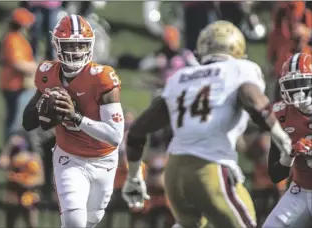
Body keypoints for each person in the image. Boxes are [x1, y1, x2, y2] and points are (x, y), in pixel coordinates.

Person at [121, 20, 292, 228]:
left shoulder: (180, 77)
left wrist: (134, 177)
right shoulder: (240, 68)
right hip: (210, 165)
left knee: (187, 224)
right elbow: (253, 99)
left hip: (174, 172)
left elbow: (138, 130)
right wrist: (281, 136)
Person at [22, 14, 124, 228]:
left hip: (103, 159)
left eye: (81, 45)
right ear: (57, 45)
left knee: (92, 219)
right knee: (74, 220)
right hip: (69, 156)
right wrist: (46, 107)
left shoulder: (102, 77)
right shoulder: (47, 73)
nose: (76, 50)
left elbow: (115, 136)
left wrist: (75, 117)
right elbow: (28, 122)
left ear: (91, 45)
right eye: (70, 45)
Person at [262, 53, 312, 228]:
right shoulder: (282, 115)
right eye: (291, 85)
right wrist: (289, 153)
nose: (297, 92)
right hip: (300, 190)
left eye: (302, 84)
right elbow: (276, 174)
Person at [0, 8, 37, 142]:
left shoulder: (16, 38)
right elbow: (17, 63)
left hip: (15, 84)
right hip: (13, 85)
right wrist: (36, 68)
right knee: (15, 121)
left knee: (14, 119)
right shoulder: (13, 39)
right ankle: (9, 153)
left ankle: (10, 151)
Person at [0, 129, 44, 228]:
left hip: (28, 195)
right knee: (10, 223)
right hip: (13, 195)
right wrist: (8, 148)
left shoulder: (33, 159)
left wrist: (27, 184)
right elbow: (1, 163)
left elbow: (40, 179)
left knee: (31, 223)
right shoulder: (12, 160)